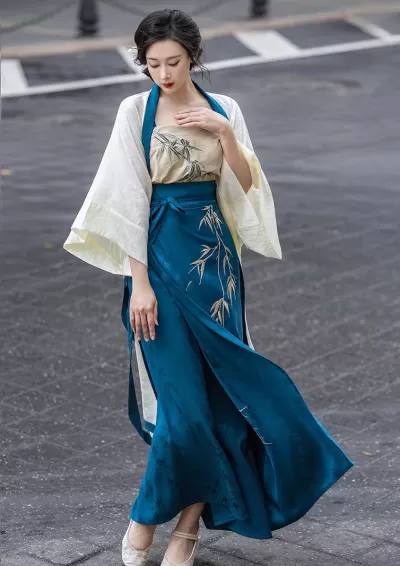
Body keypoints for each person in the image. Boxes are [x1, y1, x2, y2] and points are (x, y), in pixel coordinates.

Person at [63, 8, 354, 566]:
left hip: (215, 266)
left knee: (222, 404)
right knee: (183, 412)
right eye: (152, 64)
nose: (163, 74)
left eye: (173, 62)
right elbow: (127, 198)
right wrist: (139, 283)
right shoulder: (135, 111)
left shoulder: (226, 110)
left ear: (193, 57)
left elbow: (247, 186)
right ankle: (145, 517)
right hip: (157, 261)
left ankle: (183, 529)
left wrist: (224, 134)